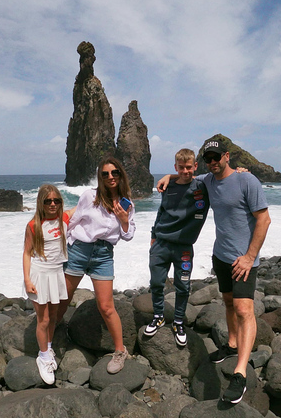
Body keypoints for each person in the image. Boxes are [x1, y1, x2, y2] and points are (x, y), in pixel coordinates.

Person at [157, 140, 270, 404]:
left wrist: (250, 257)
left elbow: (264, 219)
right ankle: (231, 344)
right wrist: (168, 176)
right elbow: (187, 175)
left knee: (244, 309)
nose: (213, 161)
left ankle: (240, 372)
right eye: (208, 158)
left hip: (244, 260)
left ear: (226, 156)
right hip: (221, 256)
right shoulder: (208, 181)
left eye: (216, 157)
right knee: (228, 302)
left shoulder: (247, 181)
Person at [63, 156, 136, 374]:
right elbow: (74, 221)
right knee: (62, 300)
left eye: (114, 173)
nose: (110, 177)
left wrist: (123, 219)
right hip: (79, 250)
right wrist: (62, 246)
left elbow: (129, 235)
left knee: (106, 306)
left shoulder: (127, 204)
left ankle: (120, 351)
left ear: (120, 174)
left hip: (103, 255)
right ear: (100, 177)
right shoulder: (89, 196)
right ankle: (48, 340)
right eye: (105, 174)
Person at [145, 148, 209, 347]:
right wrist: (153, 235)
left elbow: (222, 177)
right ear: (176, 167)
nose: (185, 171)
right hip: (162, 243)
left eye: (189, 167)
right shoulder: (169, 185)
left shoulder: (202, 186)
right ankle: (158, 316)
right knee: (156, 282)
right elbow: (161, 211)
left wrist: (242, 172)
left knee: (183, 287)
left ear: (195, 166)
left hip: (184, 247)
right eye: (181, 168)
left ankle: (179, 321)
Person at [22, 184, 72, 385]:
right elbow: (26, 253)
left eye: (56, 200)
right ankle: (43, 357)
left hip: (56, 273)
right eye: (47, 201)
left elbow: (88, 204)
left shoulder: (64, 220)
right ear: (41, 203)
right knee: (42, 320)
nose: (52, 204)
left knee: (53, 316)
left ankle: (48, 345)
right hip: (40, 275)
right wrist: (27, 280)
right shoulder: (33, 225)